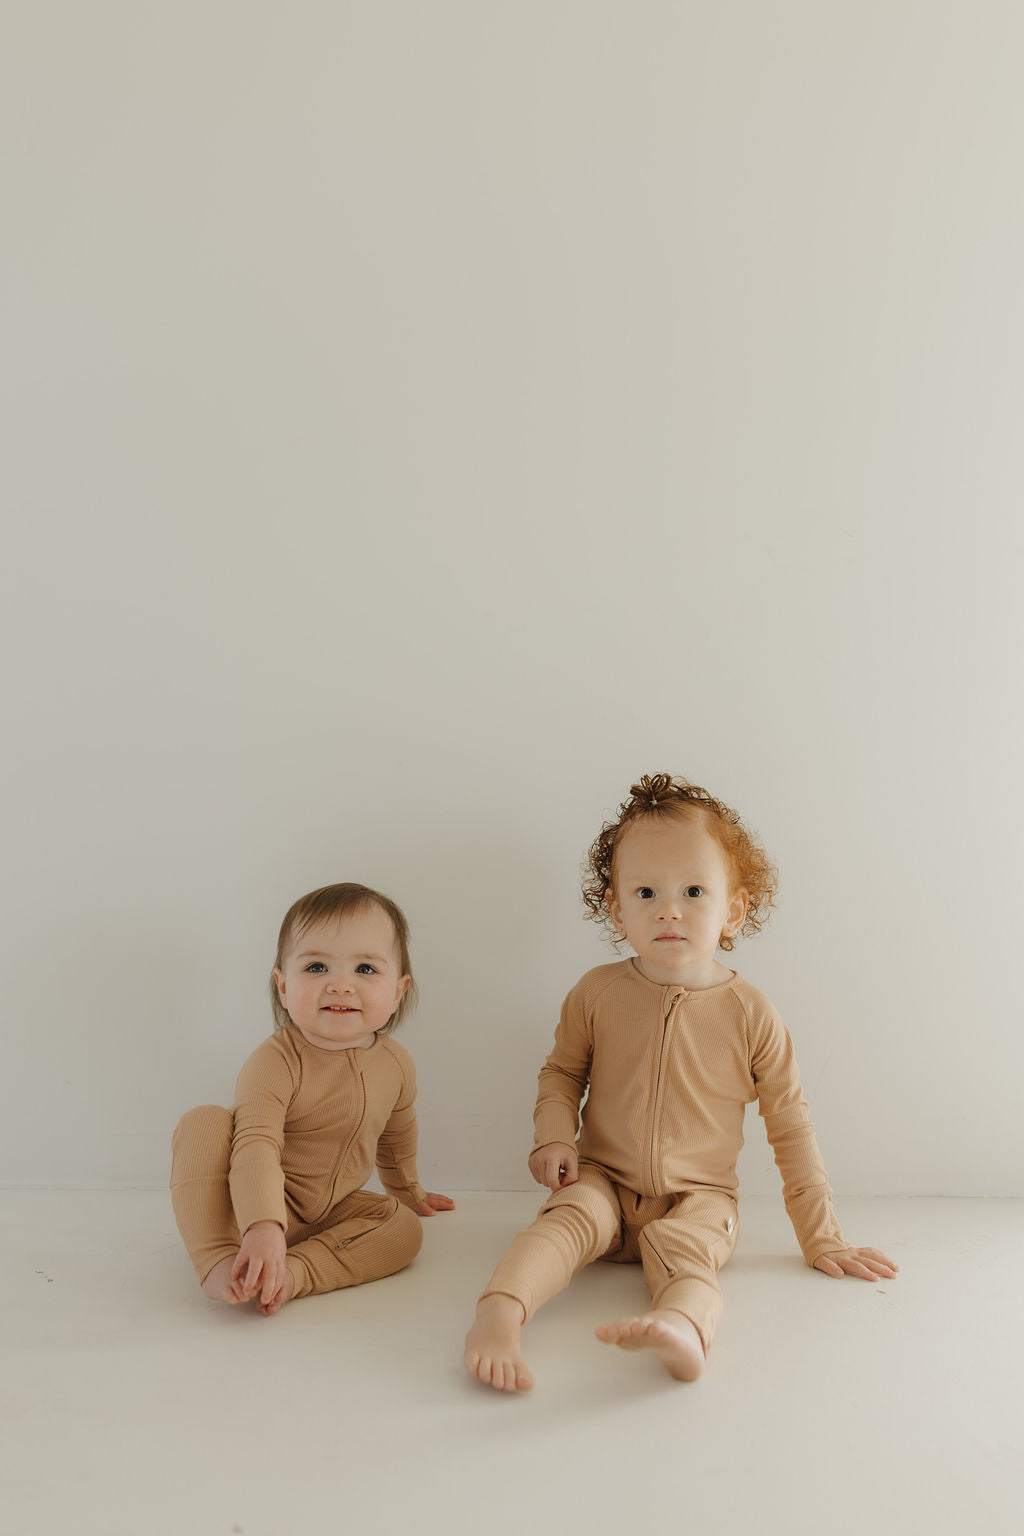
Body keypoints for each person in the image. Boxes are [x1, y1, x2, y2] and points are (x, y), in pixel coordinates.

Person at [464, 774, 898, 1391]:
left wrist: (821, 1236)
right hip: (603, 1182)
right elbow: (562, 1073)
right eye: (645, 892)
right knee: (560, 1224)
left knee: (689, 1252)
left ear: (733, 910)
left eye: (694, 890)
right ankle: (498, 1315)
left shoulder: (752, 1014)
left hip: (700, 1198)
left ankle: (682, 1326)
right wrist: (553, 1137)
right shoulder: (597, 993)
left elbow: (790, 1124)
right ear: (616, 908)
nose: (669, 909)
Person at [171, 882, 454, 1315]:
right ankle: (218, 1257)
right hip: (247, 1206)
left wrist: (409, 1190)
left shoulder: (396, 1064)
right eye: (318, 967)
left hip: (330, 1212)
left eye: (365, 969)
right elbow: (256, 1145)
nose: (341, 986)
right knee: (204, 1121)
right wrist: (263, 1225)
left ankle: (293, 1274)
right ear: (283, 987)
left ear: (398, 991)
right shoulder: (276, 1060)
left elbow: (397, 1135)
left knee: (403, 1228)